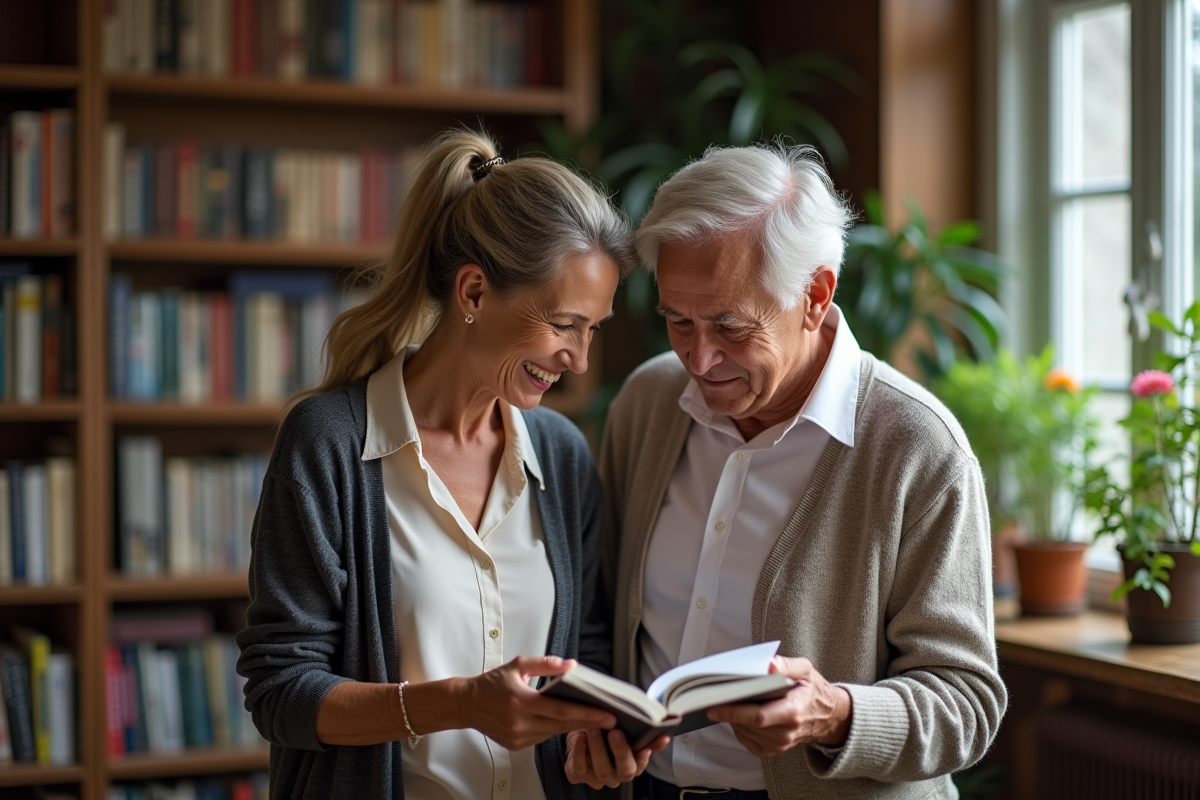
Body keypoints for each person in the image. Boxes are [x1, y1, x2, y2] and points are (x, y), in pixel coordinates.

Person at [586, 142, 1007, 800]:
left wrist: (835, 713)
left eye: (728, 324)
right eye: (678, 321)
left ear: (814, 295)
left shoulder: (917, 447)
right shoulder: (647, 405)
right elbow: (602, 614)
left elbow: (968, 705)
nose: (699, 358)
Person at [236, 128, 642, 800]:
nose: (580, 359)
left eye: (592, 329)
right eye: (565, 324)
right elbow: (282, 692)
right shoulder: (329, 444)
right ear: (475, 293)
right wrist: (459, 704)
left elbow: (585, 655)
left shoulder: (563, 457)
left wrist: (597, 738)